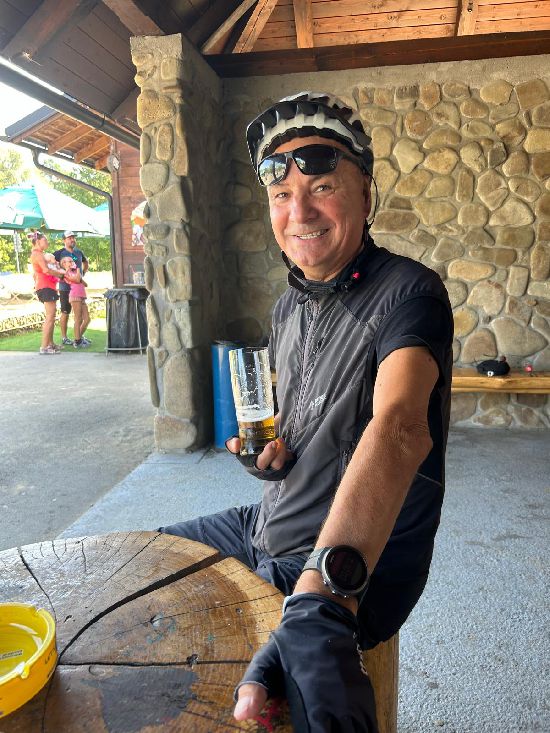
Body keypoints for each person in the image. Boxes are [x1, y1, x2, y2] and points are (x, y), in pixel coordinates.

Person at [161, 92, 454, 731]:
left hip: (347, 561)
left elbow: (400, 427)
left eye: (322, 187)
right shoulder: (288, 305)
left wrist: (323, 597)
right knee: (152, 563)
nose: (300, 212)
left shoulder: (410, 293)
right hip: (268, 521)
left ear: (366, 195)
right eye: (281, 195)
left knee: (218, 682)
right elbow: (300, 427)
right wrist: (270, 458)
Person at [28, 231, 65, 355]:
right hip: (45, 287)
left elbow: (36, 273)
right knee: (50, 317)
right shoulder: (37, 254)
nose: (47, 242)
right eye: (45, 240)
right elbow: (46, 270)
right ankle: (44, 347)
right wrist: (61, 275)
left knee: (52, 316)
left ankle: (50, 344)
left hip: (47, 287)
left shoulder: (40, 254)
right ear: (38, 241)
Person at [54, 230, 90, 346]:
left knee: (81, 317)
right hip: (65, 288)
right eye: (69, 238)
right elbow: (50, 265)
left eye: (73, 237)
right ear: (64, 240)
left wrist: (82, 274)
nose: (72, 240)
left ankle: (78, 337)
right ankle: (64, 338)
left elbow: (86, 262)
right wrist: (61, 275)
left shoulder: (79, 252)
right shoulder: (59, 253)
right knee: (66, 312)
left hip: (78, 287)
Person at [59, 255, 90, 349]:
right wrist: (78, 269)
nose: (72, 262)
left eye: (72, 261)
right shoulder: (65, 274)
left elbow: (85, 284)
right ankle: (77, 341)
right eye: (70, 261)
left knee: (87, 319)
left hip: (82, 296)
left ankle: (78, 337)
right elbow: (76, 280)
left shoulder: (75, 271)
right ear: (64, 264)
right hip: (75, 296)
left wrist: (78, 273)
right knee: (78, 319)